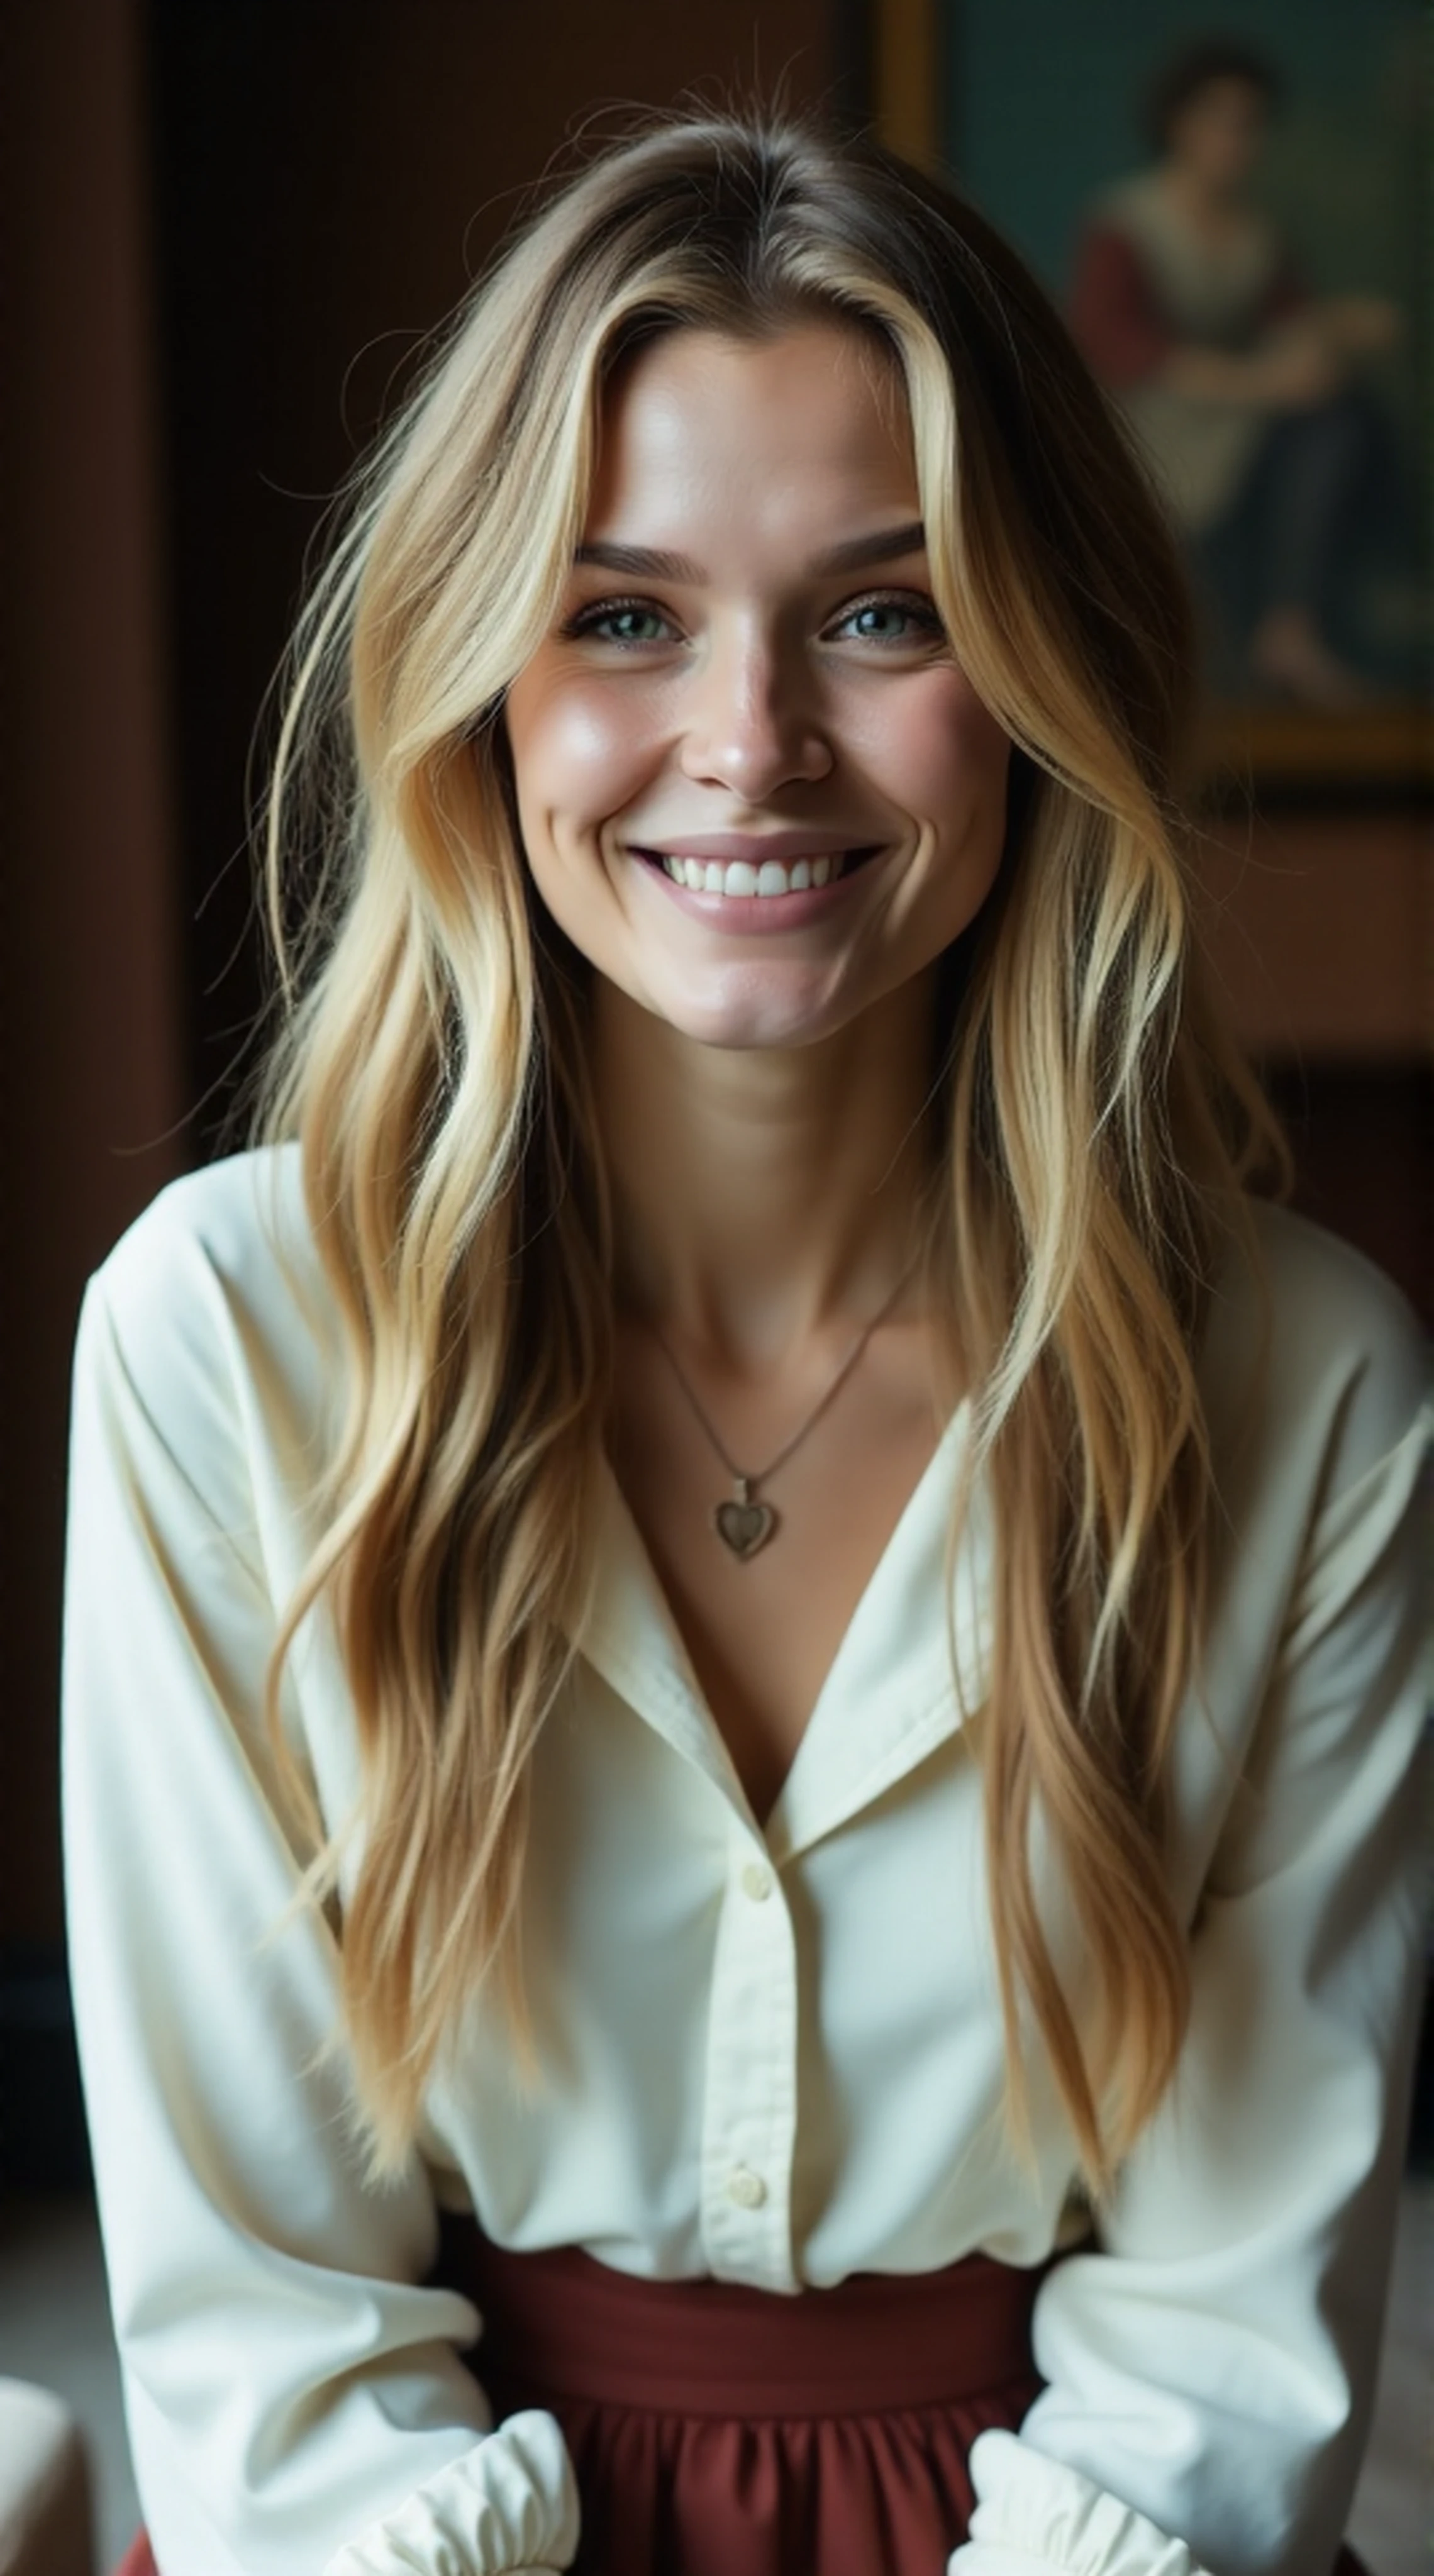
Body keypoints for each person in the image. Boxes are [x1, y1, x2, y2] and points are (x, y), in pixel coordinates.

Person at [62, 111, 1428, 2576]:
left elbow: (1230, 2332)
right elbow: (256, 2319)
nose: (753, 736)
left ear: (1041, 679)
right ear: (476, 674)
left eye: (883, 614)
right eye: (621, 615)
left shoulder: (1308, 1383)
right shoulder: (222, 1338)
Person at [1069, 40, 1403, 708]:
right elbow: (1115, 347)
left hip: (1236, 423)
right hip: (1157, 423)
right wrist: (1259, 383)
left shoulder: (1256, 234)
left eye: (1249, 123)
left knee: (1342, 417)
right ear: (1179, 125)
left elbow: (1286, 324)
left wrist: (1338, 326)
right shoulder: (1130, 222)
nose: (1236, 139)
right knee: (1321, 422)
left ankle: (1294, 627)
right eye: (1220, 120)